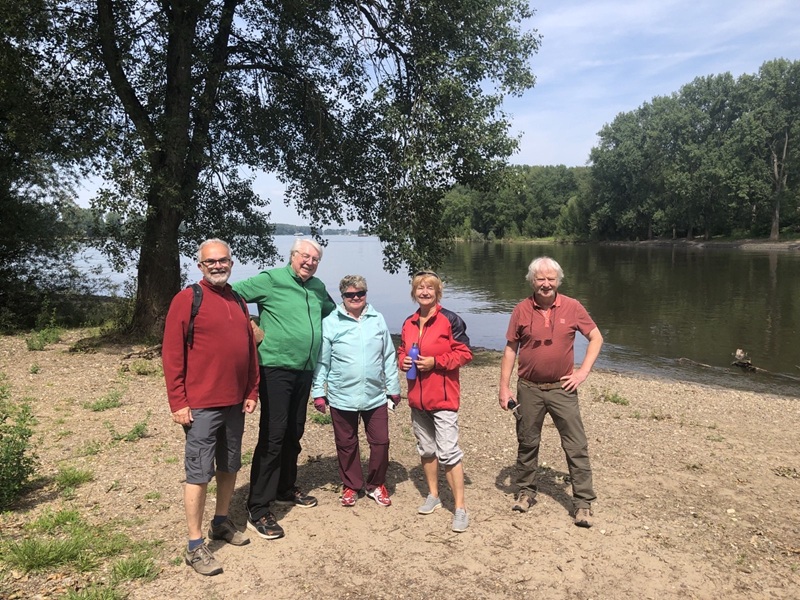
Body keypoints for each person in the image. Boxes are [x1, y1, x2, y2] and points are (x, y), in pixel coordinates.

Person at [162, 239, 259, 576]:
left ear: (231, 262)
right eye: (211, 262)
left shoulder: (238, 300)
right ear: (200, 266)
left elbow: (249, 349)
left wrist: (252, 389)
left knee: (229, 465)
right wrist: (178, 401)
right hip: (201, 405)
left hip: (235, 402)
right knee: (199, 473)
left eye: (223, 260)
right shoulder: (188, 299)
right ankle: (194, 545)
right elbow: (172, 353)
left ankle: (221, 522)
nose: (218, 266)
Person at [232, 238, 336, 539]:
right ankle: (258, 507)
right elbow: (230, 295)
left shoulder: (317, 287)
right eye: (305, 256)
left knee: (294, 431)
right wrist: (250, 325)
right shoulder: (272, 279)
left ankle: (285, 489)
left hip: (304, 369)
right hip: (275, 368)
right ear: (292, 256)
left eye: (315, 259)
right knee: (274, 435)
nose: (310, 262)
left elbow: (333, 313)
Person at [498, 256, 603, 528]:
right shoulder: (521, 309)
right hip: (528, 388)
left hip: (562, 388)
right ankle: (526, 492)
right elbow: (511, 349)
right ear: (532, 281)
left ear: (558, 280)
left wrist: (582, 372)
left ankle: (583, 503)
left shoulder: (573, 306)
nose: (546, 284)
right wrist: (504, 387)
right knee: (527, 442)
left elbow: (596, 337)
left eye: (551, 279)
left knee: (576, 445)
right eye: (540, 279)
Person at [310, 275, 401, 507]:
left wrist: (393, 388)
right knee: (346, 444)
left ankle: (376, 484)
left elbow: (388, 356)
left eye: (360, 293)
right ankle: (351, 485)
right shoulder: (331, 322)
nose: (356, 297)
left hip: (375, 395)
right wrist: (318, 392)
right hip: (342, 396)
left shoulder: (377, 319)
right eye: (350, 294)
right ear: (342, 296)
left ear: (366, 294)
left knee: (380, 442)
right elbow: (323, 361)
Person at [398, 270, 472, 532]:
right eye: (420, 288)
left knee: (448, 452)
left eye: (430, 288)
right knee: (427, 450)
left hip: (443, 398)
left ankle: (460, 508)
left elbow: (465, 353)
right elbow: (402, 350)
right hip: (417, 399)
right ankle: (434, 496)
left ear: (438, 292)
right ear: (414, 293)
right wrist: (402, 361)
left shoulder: (450, 320)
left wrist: (436, 362)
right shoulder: (409, 322)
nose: (425, 292)